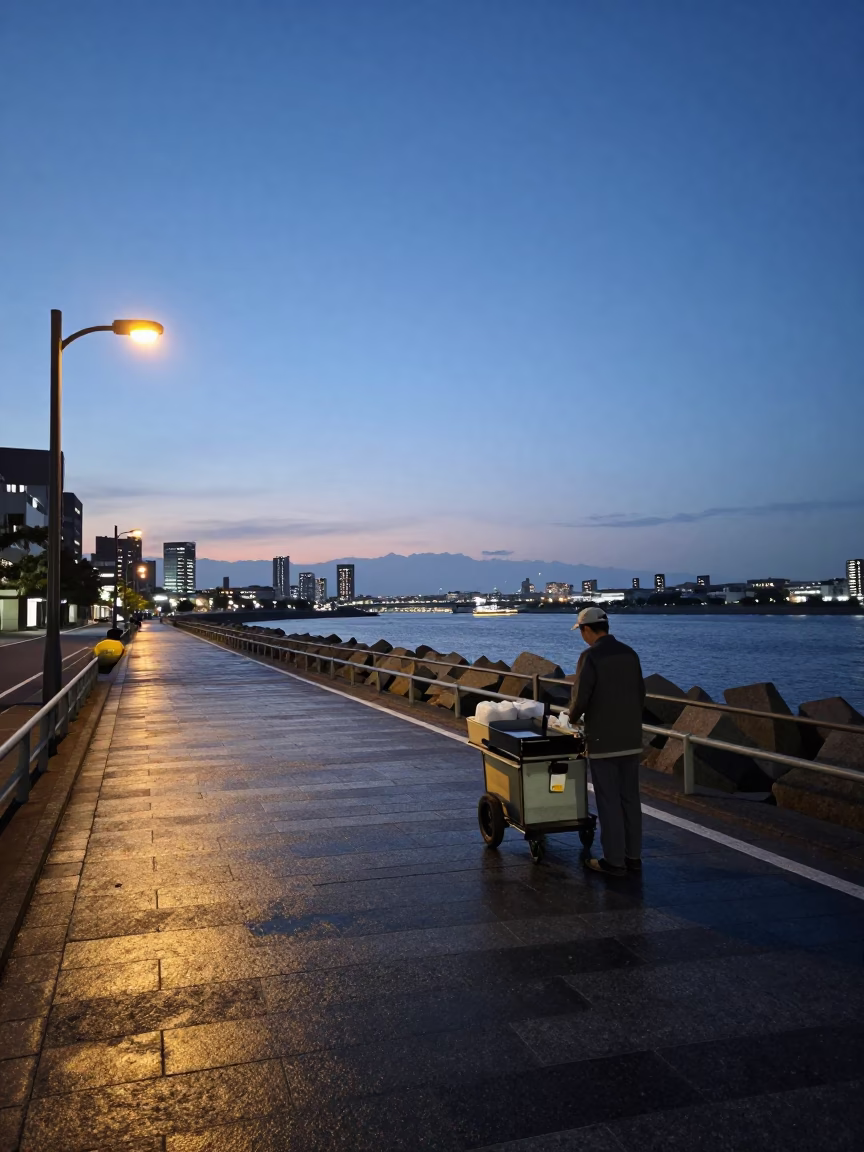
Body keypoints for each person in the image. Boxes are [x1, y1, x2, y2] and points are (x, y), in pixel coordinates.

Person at [568, 606, 645, 877]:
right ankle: (633, 856)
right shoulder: (629, 653)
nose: (582, 637)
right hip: (632, 738)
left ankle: (613, 861)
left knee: (608, 800)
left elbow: (581, 697)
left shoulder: (590, 656)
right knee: (630, 800)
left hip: (603, 739)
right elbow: (640, 693)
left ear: (587, 630)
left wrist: (571, 717)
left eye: (582, 632)